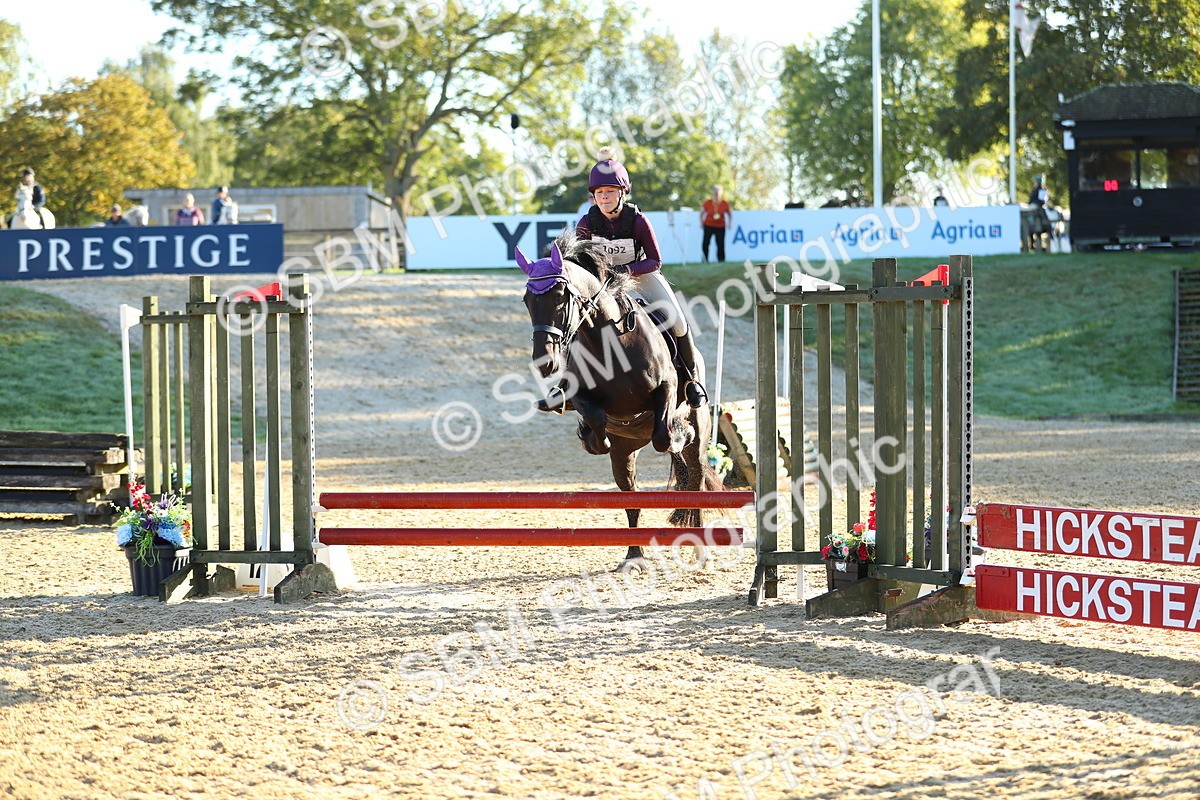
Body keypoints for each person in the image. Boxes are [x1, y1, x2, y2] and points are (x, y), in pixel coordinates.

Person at [575, 147, 708, 408]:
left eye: (610, 192)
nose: (604, 198)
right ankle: (568, 384)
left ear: (622, 192)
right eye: (599, 193)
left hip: (640, 276)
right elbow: (581, 262)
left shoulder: (638, 221)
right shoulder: (586, 223)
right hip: (603, 282)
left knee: (678, 321)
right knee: (574, 321)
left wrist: (625, 272)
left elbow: (655, 260)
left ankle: (691, 380)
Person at [699, 184, 732, 263]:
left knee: (720, 244)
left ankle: (721, 261)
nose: (716, 193)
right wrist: (701, 222)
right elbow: (701, 213)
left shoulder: (725, 203)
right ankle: (705, 259)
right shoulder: (707, 202)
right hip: (708, 225)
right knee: (705, 243)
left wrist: (730, 223)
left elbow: (730, 214)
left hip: (720, 226)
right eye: (715, 191)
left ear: (721, 192)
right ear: (712, 192)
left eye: (718, 191)